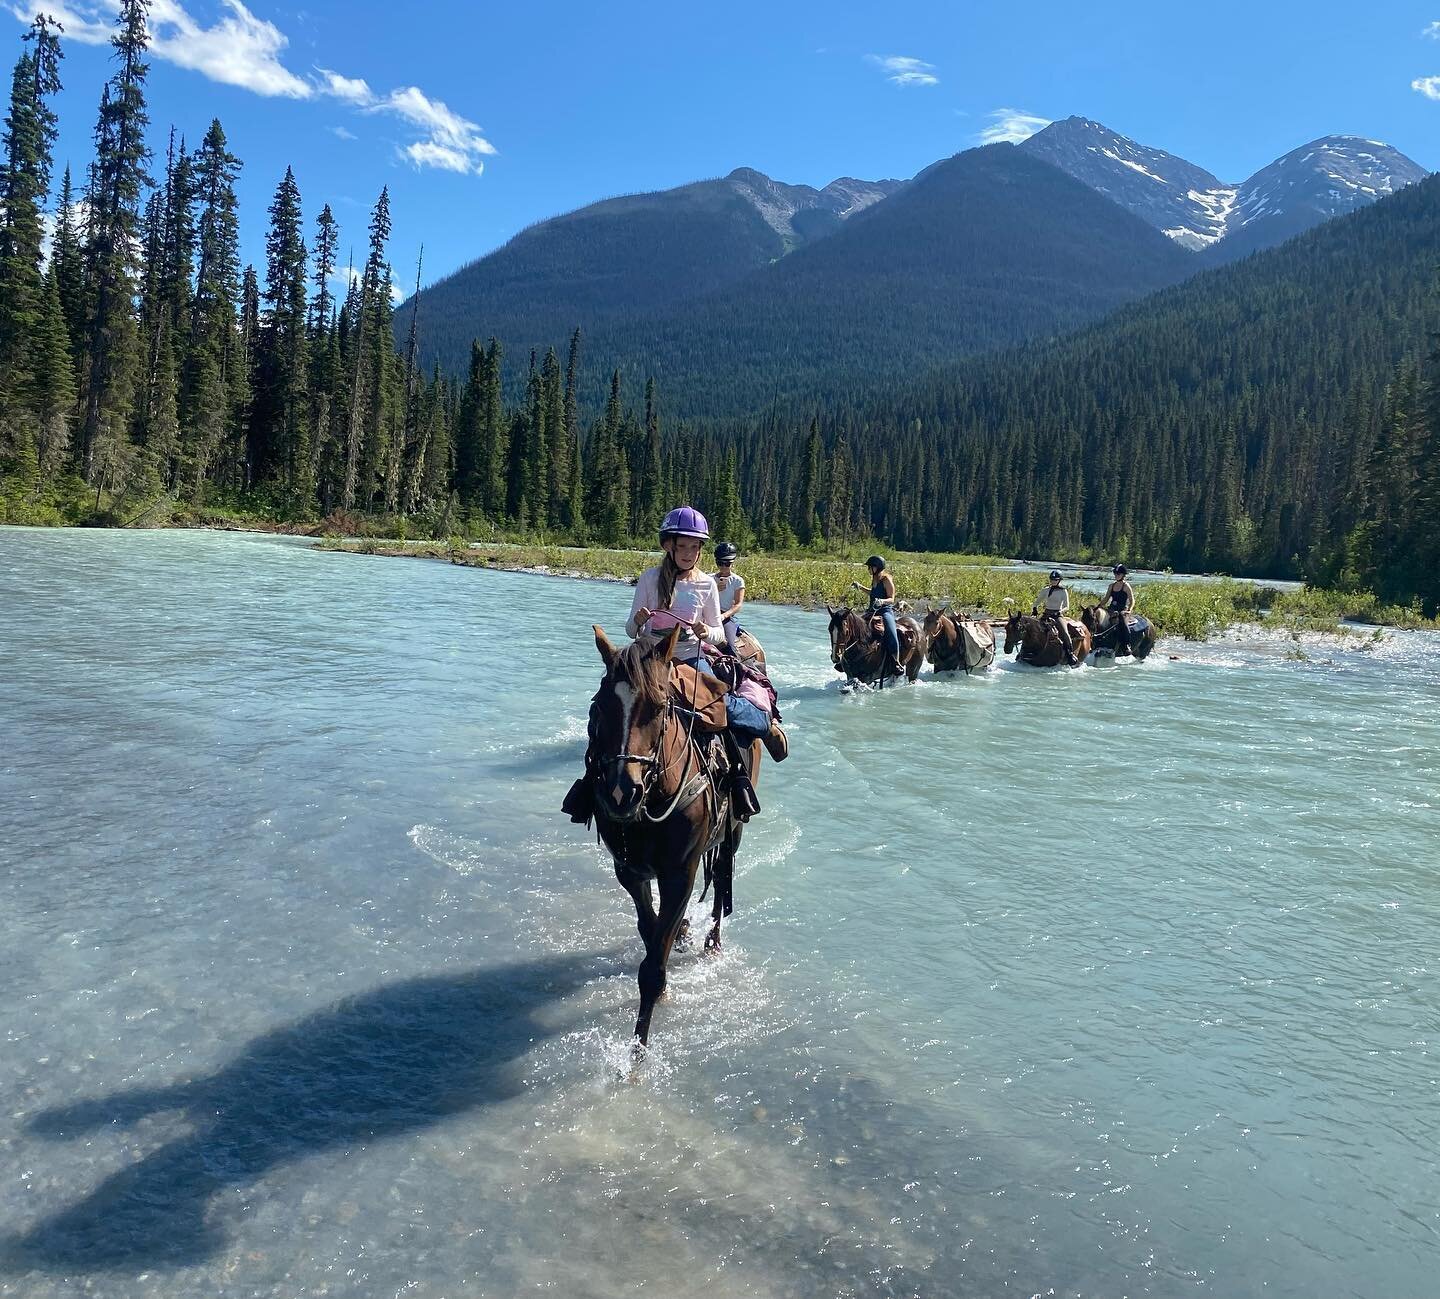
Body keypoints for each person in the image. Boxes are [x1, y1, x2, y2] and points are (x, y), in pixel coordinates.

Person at [852, 555, 901, 677]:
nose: (868, 569)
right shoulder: (874, 579)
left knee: (891, 632)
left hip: (885, 611)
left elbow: (891, 598)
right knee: (856, 629)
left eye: (870, 567)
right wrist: (860, 587)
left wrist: (882, 601)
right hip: (871, 610)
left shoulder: (886, 579)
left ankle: (896, 661)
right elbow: (872, 592)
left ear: (877, 568)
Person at [1035, 569, 1080, 667]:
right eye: (1052, 579)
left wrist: (1059, 612)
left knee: (1065, 632)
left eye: (1055, 580)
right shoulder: (1045, 590)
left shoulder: (1063, 591)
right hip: (1046, 613)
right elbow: (1038, 600)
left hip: (1057, 615)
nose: (1053, 581)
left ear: (1059, 580)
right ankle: (1024, 651)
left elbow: (1066, 606)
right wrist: (1034, 607)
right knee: (1033, 630)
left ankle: (1070, 653)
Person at [713, 541, 746, 655]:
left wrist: (723, 616)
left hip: (725, 617)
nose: (723, 567)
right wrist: (714, 589)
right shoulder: (708, 578)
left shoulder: (737, 581)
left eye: (727, 563)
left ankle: (737, 668)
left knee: (729, 647)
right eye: (720, 563)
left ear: (732, 563)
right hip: (706, 615)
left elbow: (738, 604)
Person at [1105, 564, 1136, 656]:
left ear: (1123, 575)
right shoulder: (1111, 586)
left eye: (1118, 574)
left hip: (1122, 610)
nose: (1116, 575)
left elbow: (1132, 600)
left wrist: (1130, 609)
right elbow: (1106, 599)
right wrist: (1097, 606)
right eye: (1115, 573)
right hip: (1112, 609)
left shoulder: (1126, 586)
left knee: (1122, 621)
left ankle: (1126, 645)